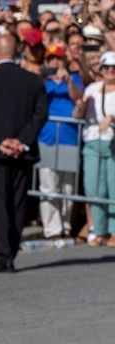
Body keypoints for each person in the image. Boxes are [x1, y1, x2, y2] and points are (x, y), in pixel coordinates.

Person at [0, 33, 48, 273]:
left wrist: (0, 141)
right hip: (21, 152)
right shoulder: (33, 81)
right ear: (17, 52)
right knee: (18, 201)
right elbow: (40, 114)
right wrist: (22, 141)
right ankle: (10, 251)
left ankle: (5, 254)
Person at [38, 44, 83, 239]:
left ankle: (65, 226)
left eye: (59, 59)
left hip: (69, 139)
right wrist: (44, 78)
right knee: (48, 185)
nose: (55, 63)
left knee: (67, 186)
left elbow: (80, 99)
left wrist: (68, 82)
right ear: (46, 62)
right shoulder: (43, 84)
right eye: (51, 59)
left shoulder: (74, 79)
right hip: (47, 138)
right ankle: (52, 229)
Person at [76, 50, 115, 246]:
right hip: (92, 141)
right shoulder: (92, 89)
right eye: (106, 67)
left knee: (113, 187)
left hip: (113, 144)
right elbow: (80, 113)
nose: (110, 71)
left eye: (114, 68)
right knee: (94, 187)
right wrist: (79, 107)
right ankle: (99, 229)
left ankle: (114, 229)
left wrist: (112, 118)